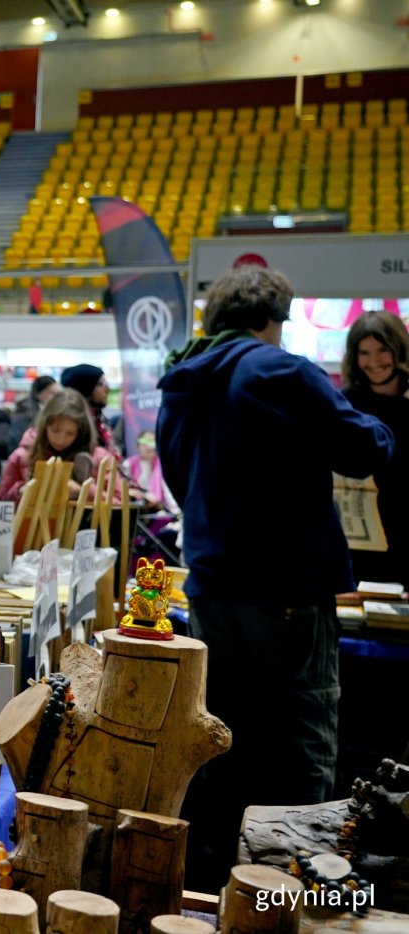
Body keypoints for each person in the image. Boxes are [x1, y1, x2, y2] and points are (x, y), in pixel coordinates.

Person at [157, 264, 393, 888]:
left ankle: (219, 892)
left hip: (211, 589)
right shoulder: (280, 369)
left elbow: (179, 478)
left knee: (224, 745)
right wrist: (383, 426)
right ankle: (298, 901)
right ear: (273, 318)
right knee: (298, 752)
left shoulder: (182, 379)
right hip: (287, 594)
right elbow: (361, 446)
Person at [341, 310, 409, 588]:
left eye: (382, 350)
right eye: (364, 352)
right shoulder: (345, 404)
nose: (374, 362)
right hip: (360, 541)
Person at [0, 388, 110, 502]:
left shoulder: (99, 459)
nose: (61, 440)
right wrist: (20, 491)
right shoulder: (22, 456)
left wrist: (83, 492)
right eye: (55, 430)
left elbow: (119, 503)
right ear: (45, 425)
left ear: (81, 432)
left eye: (70, 433)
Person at [60, 364, 115, 450]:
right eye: (101, 384)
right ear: (85, 388)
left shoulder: (98, 418)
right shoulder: (73, 423)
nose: (108, 389)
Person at [123, 431, 176, 512]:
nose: (149, 447)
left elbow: (168, 493)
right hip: (135, 506)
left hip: (160, 508)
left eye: (152, 442)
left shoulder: (163, 464)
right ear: (137, 446)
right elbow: (122, 486)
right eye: (144, 443)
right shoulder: (128, 464)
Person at [8, 374, 58, 453]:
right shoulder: (26, 413)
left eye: (56, 393)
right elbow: (18, 441)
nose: (55, 397)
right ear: (38, 393)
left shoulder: (40, 410)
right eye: (51, 393)